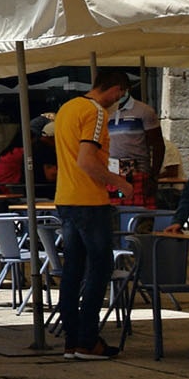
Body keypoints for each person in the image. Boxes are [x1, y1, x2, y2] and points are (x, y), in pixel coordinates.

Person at [52, 68, 136, 361]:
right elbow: (87, 160)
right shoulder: (96, 112)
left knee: (73, 271)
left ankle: (72, 341)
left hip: (65, 198)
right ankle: (88, 340)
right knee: (99, 268)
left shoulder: (66, 109)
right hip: (89, 200)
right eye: (122, 94)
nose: (120, 100)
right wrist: (121, 183)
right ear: (117, 89)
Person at [105, 81, 165, 206]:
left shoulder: (144, 111)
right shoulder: (104, 112)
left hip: (138, 173)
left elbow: (158, 144)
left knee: (139, 217)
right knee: (113, 218)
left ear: (126, 89)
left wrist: (153, 176)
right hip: (110, 173)